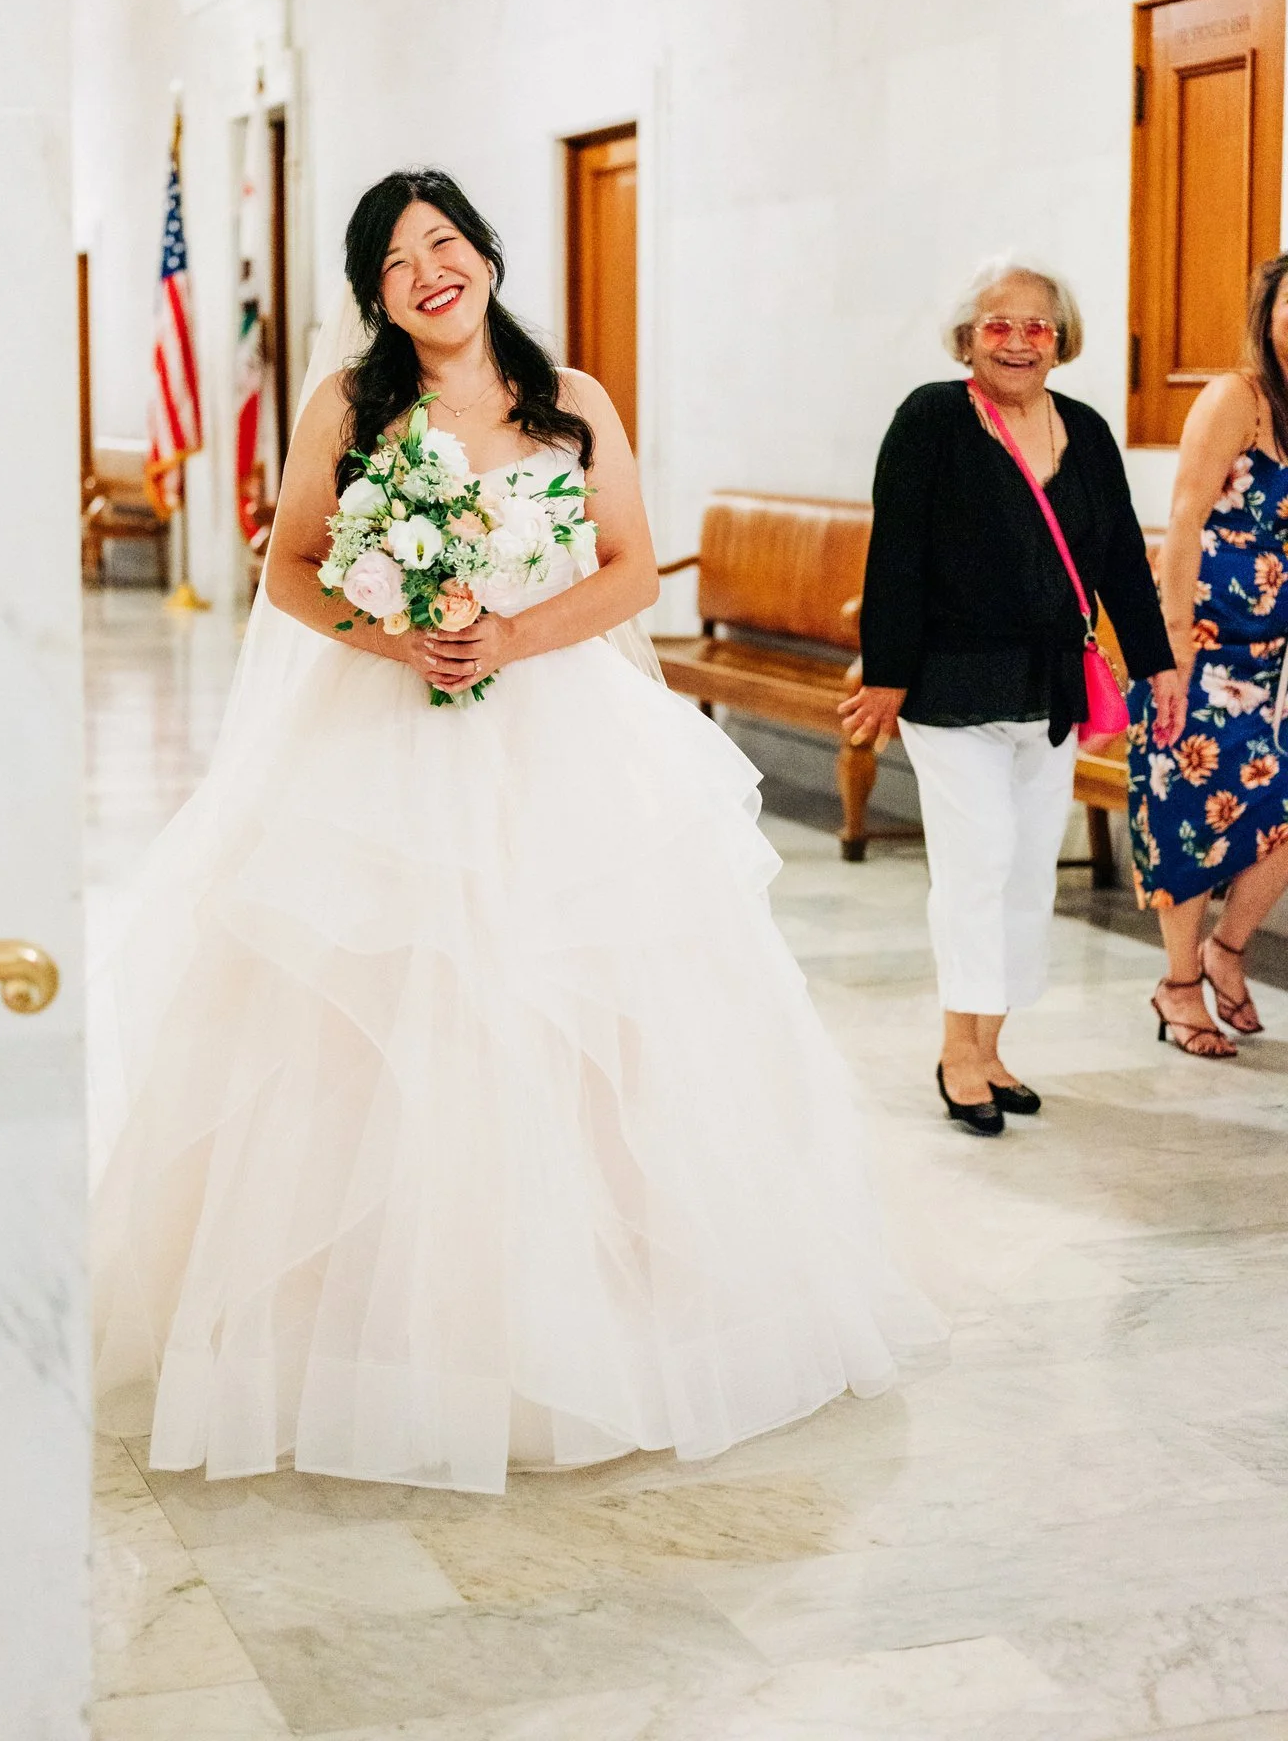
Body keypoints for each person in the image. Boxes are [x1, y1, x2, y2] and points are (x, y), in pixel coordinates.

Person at [91, 168, 942, 1494]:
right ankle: (374, 1336)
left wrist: (502, 638)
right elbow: (291, 566)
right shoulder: (350, 406)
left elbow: (628, 570)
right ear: (373, 295)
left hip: (565, 735)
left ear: (484, 254)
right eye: (394, 261)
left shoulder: (575, 403)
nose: (428, 271)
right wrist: (402, 641)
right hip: (382, 736)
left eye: (446, 243)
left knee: (589, 1018)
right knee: (378, 1017)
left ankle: (612, 1322)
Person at [841, 258, 1181, 1135]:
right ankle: (960, 1050)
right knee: (978, 862)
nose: (1019, 341)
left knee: (1029, 872)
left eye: (1037, 327)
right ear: (968, 338)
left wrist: (1158, 665)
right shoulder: (932, 420)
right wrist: (886, 673)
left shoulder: (1091, 433)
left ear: (1061, 342)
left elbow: (1117, 567)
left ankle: (992, 1046)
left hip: (1053, 691)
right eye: (999, 325)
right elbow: (897, 555)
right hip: (951, 689)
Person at [1129, 252, 1288, 1057]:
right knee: (1186, 818)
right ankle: (1179, 985)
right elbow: (1185, 520)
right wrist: (1172, 651)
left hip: (1268, 665)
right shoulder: (1237, 399)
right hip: (1199, 655)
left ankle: (1227, 951)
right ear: (1269, 314)